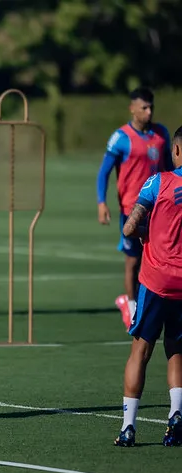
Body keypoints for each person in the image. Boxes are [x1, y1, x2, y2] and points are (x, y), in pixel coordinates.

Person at [113, 125, 182, 447]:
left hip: (155, 280)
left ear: (176, 151)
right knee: (177, 350)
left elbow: (128, 228)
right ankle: (176, 417)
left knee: (140, 351)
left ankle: (128, 427)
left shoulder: (159, 181)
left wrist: (146, 232)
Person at [97, 87, 172, 330]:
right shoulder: (121, 138)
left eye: (151, 107)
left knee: (158, 257)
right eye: (144, 108)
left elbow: (171, 167)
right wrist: (102, 202)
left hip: (160, 207)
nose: (149, 112)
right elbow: (103, 172)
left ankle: (153, 303)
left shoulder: (161, 134)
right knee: (133, 260)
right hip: (133, 208)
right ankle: (131, 308)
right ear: (132, 108)